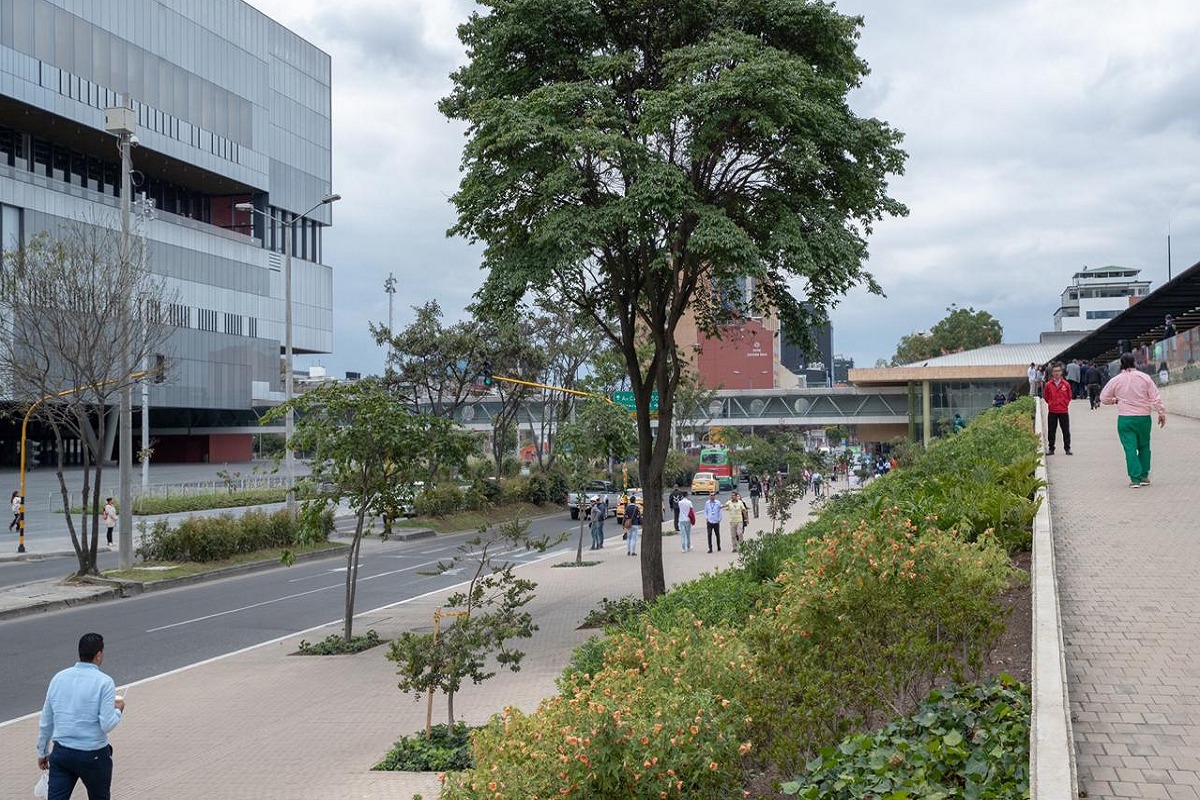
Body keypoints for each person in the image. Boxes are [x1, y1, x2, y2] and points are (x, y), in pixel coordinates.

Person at [37, 632, 125, 800]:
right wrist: (119, 710)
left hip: (62, 753)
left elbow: (46, 721)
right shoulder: (104, 682)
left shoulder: (58, 678)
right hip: (93, 754)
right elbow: (107, 724)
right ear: (98, 655)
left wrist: (42, 751)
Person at [1100, 352, 1167, 488]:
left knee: (1130, 449)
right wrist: (1161, 412)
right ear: (1134, 362)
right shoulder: (1145, 378)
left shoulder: (1116, 380)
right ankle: (1144, 476)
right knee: (1144, 446)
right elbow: (1155, 396)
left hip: (1125, 418)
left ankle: (1134, 479)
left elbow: (1103, 398)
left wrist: (1116, 400)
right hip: (1144, 418)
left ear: (1121, 364)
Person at [1043, 363, 1073, 455]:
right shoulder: (1048, 385)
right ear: (1052, 373)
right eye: (1055, 371)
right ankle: (1051, 448)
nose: (1057, 373)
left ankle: (1067, 448)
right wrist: (1051, 404)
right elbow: (1046, 396)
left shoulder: (1066, 384)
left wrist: (1064, 403)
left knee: (1066, 430)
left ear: (1061, 372)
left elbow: (1069, 396)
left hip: (1063, 411)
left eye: (1058, 371)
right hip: (1052, 411)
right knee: (1051, 431)